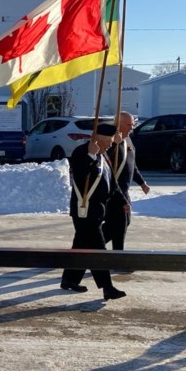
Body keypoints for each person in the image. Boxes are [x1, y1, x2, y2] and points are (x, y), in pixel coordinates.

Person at [60, 122, 127, 300]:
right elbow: (82, 176)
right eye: (109, 142)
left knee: (81, 246)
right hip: (84, 211)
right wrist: (90, 155)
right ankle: (107, 287)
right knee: (98, 249)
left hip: (97, 210)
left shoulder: (103, 156)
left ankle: (69, 279)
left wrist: (122, 201)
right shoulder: (81, 153)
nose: (111, 145)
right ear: (99, 139)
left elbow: (112, 183)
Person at [104, 111, 150, 253]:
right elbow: (102, 159)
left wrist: (141, 182)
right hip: (113, 192)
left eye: (133, 124)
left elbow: (131, 164)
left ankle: (89, 245)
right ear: (118, 125)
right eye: (128, 125)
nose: (132, 128)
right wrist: (114, 145)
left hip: (124, 190)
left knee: (122, 223)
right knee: (120, 224)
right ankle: (118, 257)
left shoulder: (128, 140)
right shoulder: (109, 141)